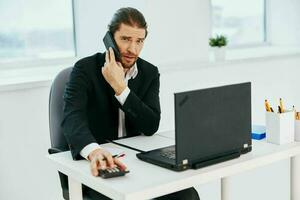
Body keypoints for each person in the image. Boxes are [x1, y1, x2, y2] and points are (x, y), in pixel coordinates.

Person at [62, 7, 200, 200]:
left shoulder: (150, 73)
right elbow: (71, 119)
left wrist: (121, 88)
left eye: (139, 41)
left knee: (187, 195)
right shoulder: (84, 70)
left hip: (138, 163)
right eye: (125, 39)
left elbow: (151, 125)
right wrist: (94, 151)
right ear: (110, 38)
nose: (133, 49)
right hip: (101, 165)